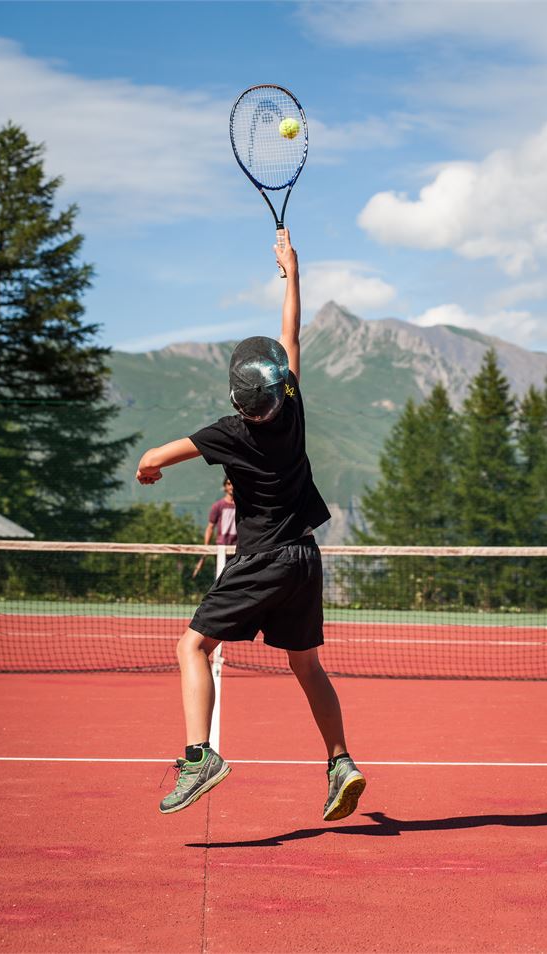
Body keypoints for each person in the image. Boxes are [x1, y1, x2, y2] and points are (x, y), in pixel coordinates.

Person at [136, 230, 365, 822]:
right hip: (305, 558)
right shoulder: (291, 401)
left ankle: (198, 756)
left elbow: (155, 457)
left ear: (239, 398)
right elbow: (290, 335)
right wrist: (292, 273)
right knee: (307, 665)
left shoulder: (228, 432)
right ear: (277, 385)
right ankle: (341, 760)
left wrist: (146, 470)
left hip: (262, 559)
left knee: (192, 646)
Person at [192, 477, 237, 579]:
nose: (231, 487)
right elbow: (210, 527)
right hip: (221, 548)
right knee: (220, 578)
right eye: (229, 484)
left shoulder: (241, 506)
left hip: (237, 549)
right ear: (225, 487)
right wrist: (205, 549)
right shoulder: (218, 506)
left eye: (233, 483)